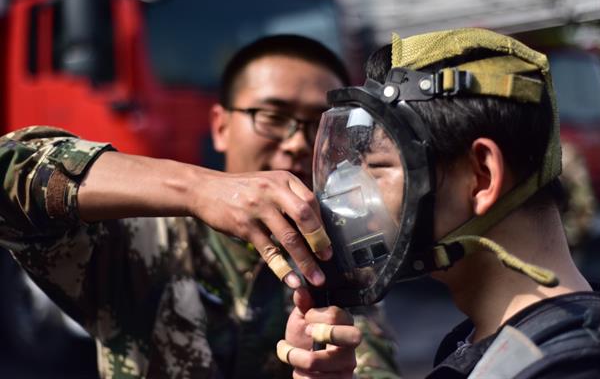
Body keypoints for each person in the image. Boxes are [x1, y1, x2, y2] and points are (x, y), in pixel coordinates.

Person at [0, 35, 399, 378]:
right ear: (220, 127)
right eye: (272, 116)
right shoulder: (143, 234)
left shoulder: (337, 258)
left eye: (317, 123)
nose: (297, 142)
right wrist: (196, 188)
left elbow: (369, 353)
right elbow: (10, 166)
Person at [277, 28, 600, 378]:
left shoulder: (571, 368)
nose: (350, 193)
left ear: (482, 177)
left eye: (377, 167)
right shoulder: (490, 345)